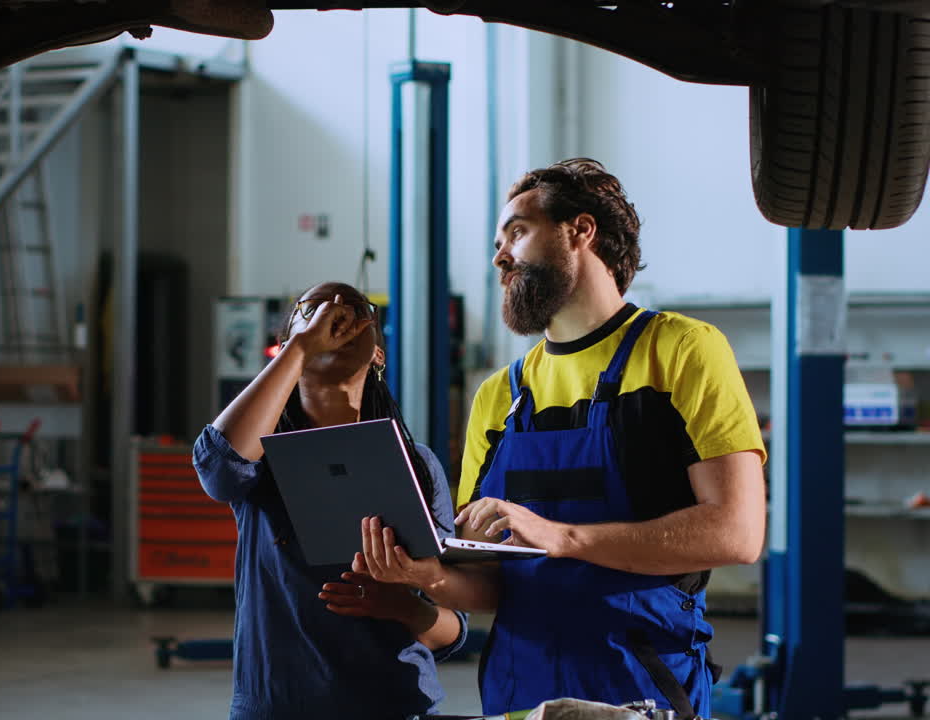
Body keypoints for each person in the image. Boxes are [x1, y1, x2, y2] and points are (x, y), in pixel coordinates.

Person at [357, 159, 767, 719]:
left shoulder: (681, 350)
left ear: (580, 231)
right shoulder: (499, 395)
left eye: (517, 232)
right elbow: (490, 583)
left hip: (639, 682)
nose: (500, 257)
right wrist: (427, 577)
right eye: (498, 243)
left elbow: (737, 533)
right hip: (518, 689)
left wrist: (561, 537)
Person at [193, 281, 468, 720]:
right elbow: (218, 468)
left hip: (393, 706)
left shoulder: (416, 464)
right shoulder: (261, 458)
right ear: (285, 346)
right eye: (313, 310)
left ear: (378, 353)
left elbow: (452, 630)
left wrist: (404, 606)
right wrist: (301, 349)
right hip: (279, 707)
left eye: (355, 310)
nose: (335, 317)